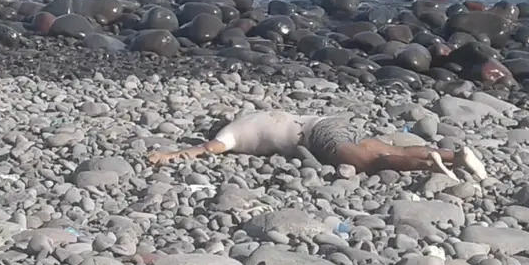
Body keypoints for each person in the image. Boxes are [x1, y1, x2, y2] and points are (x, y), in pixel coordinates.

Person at [147, 110, 487, 181]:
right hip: (332, 121)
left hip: (316, 135)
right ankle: (454, 156)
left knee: (370, 162)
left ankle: (431, 164)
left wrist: (169, 154)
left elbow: (206, 150)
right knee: (388, 149)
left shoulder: (230, 134)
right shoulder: (253, 115)